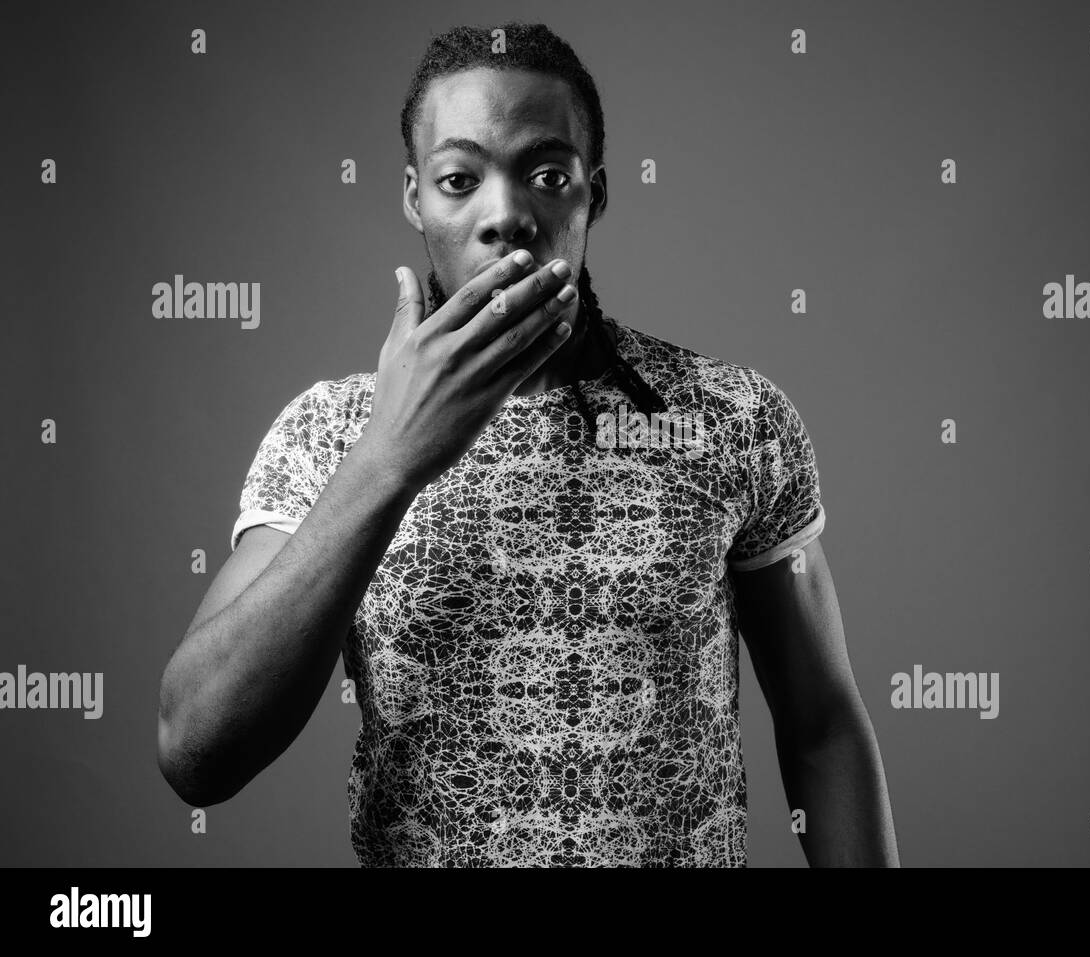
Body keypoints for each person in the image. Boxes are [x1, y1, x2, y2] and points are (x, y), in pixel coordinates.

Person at [158, 21, 900, 868]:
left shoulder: (733, 416)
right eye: (459, 178)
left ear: (596, 192)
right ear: (414, 198)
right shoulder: (328, 435)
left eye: (548, 175)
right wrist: (389, 460)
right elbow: (195, 751)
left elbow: (824, 729)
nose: (506, 214)